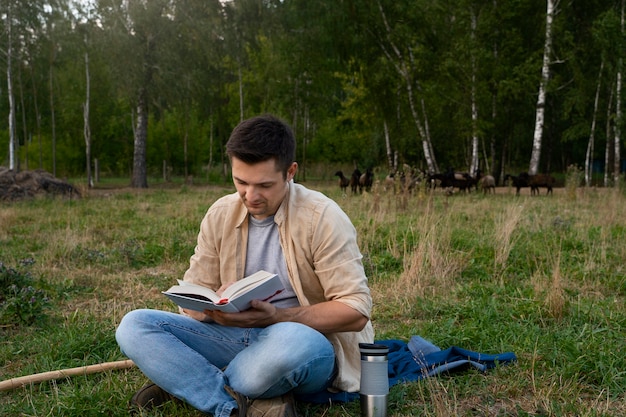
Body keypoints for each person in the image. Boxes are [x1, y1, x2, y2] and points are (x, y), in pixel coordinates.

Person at [115, 114, 374, 417]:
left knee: (294, 346)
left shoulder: (323, 217)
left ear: (290, 172)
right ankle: (234, 403)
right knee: (134, 326)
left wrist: (277, 316)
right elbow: (193, 293)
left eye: (264, 185)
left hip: (298, 338)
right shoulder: (220, 213)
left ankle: (188, 382)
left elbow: (356, 310)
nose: (251, 196)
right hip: (231, 335)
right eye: (241, 182)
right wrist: (209, 306)